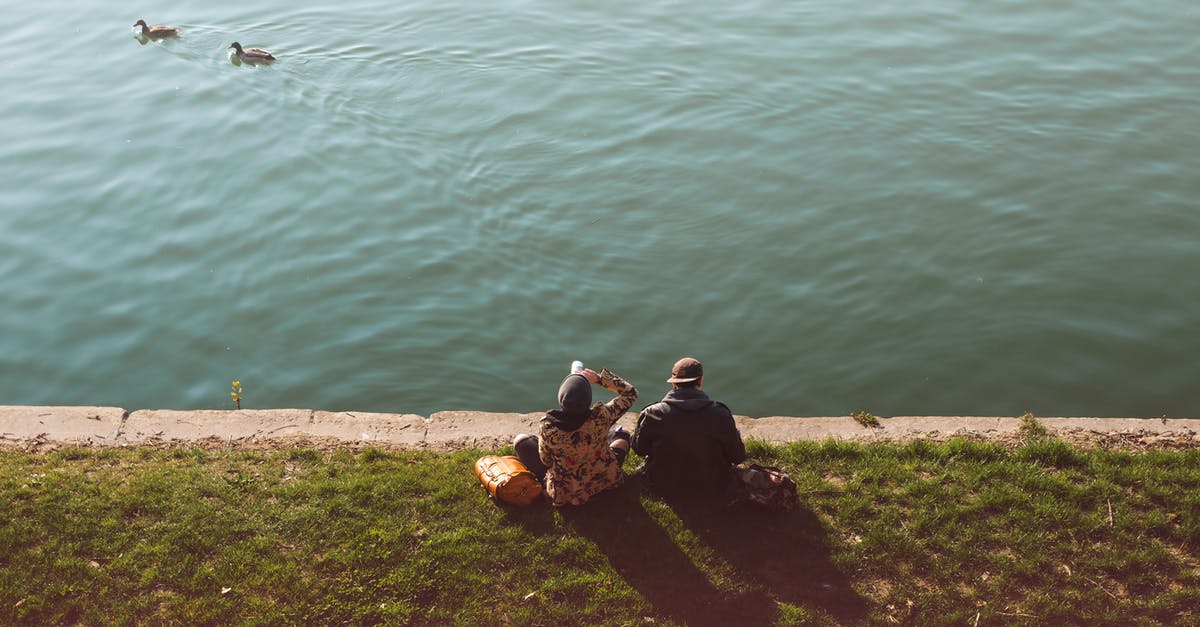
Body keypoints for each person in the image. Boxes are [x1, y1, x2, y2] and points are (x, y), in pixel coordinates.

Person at [513, 366, 638, 506]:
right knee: (623, 435)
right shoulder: (602, 416)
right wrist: (599, 379)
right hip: (604, 480)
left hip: (566, 492)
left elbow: (546, 461)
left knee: (521, 441)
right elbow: (631, 393)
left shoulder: (548, 427)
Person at [632, 357, 745, 499]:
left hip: (663, 486)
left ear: (674, 383)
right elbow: (738, 456)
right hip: (711, 486)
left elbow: (639, 450)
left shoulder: (652, 413)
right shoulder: (720, 414)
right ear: (700, 380)